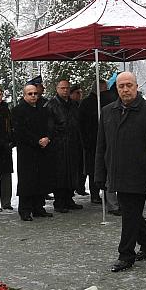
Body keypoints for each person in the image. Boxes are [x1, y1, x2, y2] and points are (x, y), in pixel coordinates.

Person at [95, 72, 146, 272]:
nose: (125, 89)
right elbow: (101, 145)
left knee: (129, 213)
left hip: (139, 171)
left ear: (136, 86)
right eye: (121, 86)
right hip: (116, 171)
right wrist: (99, 174)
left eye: (129, 85)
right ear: (116, 88)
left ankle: (126, 254)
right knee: (131, 211)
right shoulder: (108, 111)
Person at [11, 84, 54, 220]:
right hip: (27, 151)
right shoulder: (18, 110)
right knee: (27, 181)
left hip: (42, 149)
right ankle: (25, 210)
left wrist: (48, 137)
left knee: (41, 178)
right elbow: (20, 131)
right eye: (30, 94)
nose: (33, 96)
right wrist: (36, 140)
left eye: (35, 93)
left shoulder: (42, 108)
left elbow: (49, 124)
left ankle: (38, 207)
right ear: (24, 95)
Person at [47, 79, 84, 212]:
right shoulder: (51, 105)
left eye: (67, 88)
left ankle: (69, 198)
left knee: (72, 172)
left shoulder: (73, 104)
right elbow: (50, 127)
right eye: (62, 88)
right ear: (57, 89)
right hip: (59, 145)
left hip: (73, 143)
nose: (65, 90)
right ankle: (60, 201)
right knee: (60, 174)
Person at [78, 79, 110, 205]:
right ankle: (95, 194)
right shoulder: (88, 103)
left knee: (99, 168)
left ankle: (100, 193)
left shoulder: (100, 102)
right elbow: (82, 124)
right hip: (92, 141)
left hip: (97, 139)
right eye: (105, 88)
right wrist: (85, 141)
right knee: (94, 169)